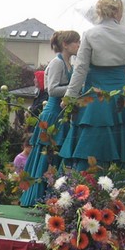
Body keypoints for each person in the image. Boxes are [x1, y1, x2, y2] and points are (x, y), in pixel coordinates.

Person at [59, 0, 125, 172]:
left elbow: (80, 69)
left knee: (90, 146)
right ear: (117, 12)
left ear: (100, 12)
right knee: (119, 146)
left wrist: (70, 96)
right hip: (119, 99)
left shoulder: (90, 34)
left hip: (95, 99)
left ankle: (85, 189)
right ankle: (119, 189)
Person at [20, 30, 81, 207]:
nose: (79, 45)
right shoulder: (57, 63)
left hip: (61, 115)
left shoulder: (70, 64)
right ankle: (37, 196)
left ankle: (51, 196)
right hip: (52, 114)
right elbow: (52, 89)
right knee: (46, 155)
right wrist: (75, 87)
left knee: (55, 156)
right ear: (65, 45)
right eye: (76, 42)